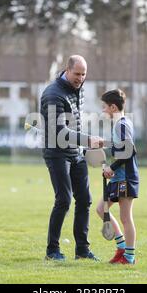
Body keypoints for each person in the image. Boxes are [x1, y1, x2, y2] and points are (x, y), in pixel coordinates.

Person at [40, 55, 103, 261]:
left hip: (75, 152)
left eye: (84, 74)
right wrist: (87, 140)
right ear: (67, 70)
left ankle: (82, 251)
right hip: (57, 153)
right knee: (64, 200)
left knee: (85, 200)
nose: (80, 78)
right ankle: (52, 250)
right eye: (77, 74)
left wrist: (82, 146)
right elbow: (60, 131)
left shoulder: (79, 89)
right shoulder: (52, 94)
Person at [96, 89, 139, 265]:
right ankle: (121, 247)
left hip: (125, 178)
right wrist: (105, 143)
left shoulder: (122, 124)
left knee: (125, 218)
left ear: (113, 107)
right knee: (101, 209)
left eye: (104, 107)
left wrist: (111, 168)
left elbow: (130, 151)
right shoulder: (120, 124)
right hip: (117, 178)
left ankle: (129, 257)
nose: (103, 110)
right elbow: (120, 147)